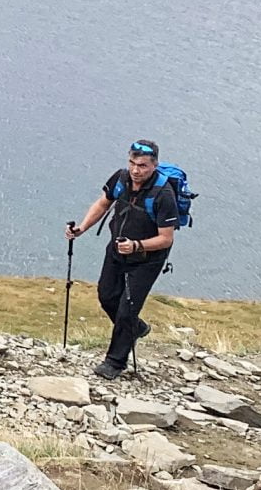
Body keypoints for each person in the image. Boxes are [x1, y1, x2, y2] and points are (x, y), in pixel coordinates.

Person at [69, 139, 183, 380]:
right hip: (117, 249)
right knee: (106, 295)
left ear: (154, 166)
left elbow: (166, 239)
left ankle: (114, 362)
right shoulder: (121, 178)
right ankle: (137, 329)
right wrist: (82, 228)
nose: (135, 170)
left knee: (126, 310)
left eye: (142, 165)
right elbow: (103, 203)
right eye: (132, 163)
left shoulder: (163, 194)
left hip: (146, 259)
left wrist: (136, 246)